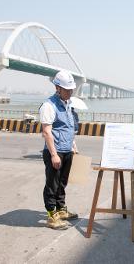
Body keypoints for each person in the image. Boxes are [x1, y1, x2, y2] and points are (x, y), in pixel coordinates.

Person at [39, 70, 78, 230]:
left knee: (62, 182)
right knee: (52, 184)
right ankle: (51, 215)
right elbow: (47, 132)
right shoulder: (49, 105)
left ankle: (61, 209)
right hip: (55, 152)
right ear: (57, 87)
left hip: (67, 150)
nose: (70, 92)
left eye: (71, 89)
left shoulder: (68, 104)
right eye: (67, 89)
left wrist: (73, 144)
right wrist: (54, 155)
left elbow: (67, 128)